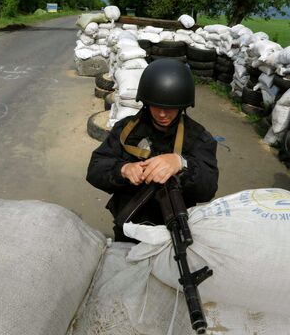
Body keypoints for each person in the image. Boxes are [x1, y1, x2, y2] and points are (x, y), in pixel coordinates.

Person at [87, 58, 219, 241]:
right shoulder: (126, 130)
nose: (163, 114)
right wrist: (123, 170)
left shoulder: (198, 137)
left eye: (170, 108)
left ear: (182, 106)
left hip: (174, 230)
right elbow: (95, 168)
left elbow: (208, 187)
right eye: (157, 106)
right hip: (130, 226)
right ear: (146, 102)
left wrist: (182, 164)